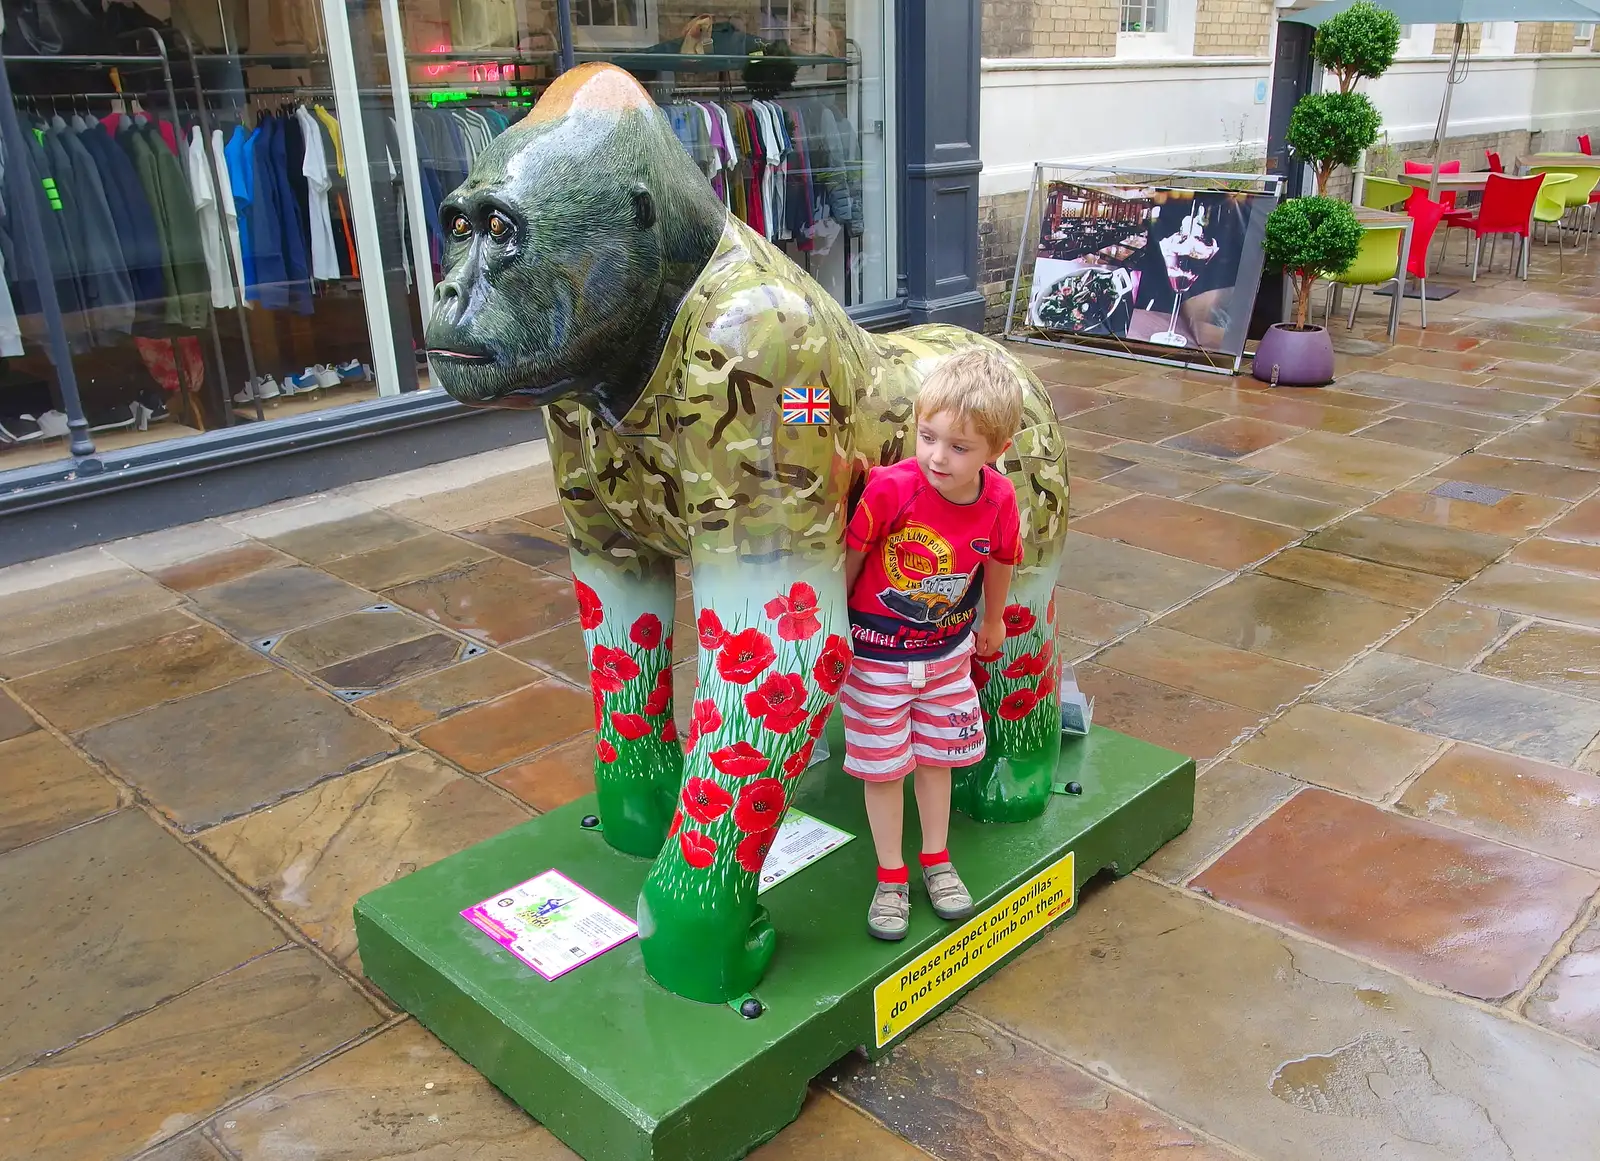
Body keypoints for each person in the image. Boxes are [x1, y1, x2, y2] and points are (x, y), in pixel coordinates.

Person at [840, 348, 1025, 941]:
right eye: (928, 437)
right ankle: (890, 873)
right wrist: (831, 625)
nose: (938, 457)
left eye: (959, 447)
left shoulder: (999, 500)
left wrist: (992, 619)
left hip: (946, 657)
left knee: (937, 760)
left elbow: (1000, 558)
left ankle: (936, 858)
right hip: (877, 657)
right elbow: (853, 556)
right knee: (884, 768)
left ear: (997, 452)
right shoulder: (892, 490)